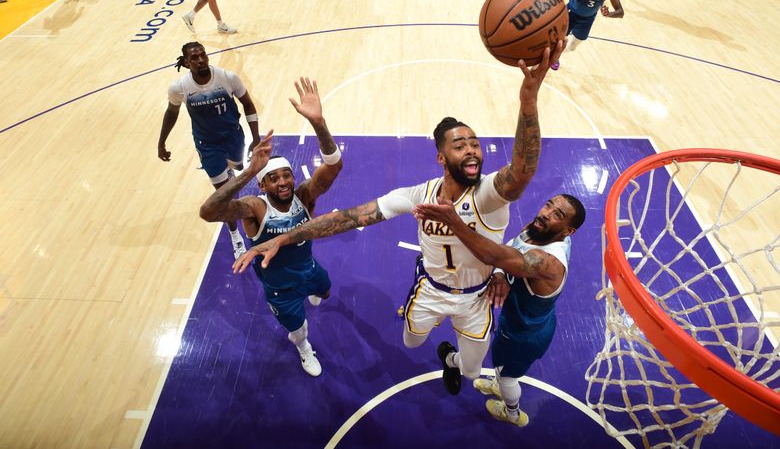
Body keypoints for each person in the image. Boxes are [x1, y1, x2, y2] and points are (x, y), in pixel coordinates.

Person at [233, 42, 565, 396]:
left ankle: (450, 360)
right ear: (441, 157)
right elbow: (348, 218)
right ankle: (419, 309)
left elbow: (523, 170)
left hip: (475, 299)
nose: (471, 148)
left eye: (475, 142)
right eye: (460, 144)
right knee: (409, 341)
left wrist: (528, 100)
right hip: (432, 291)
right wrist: (285, 237)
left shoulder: (488, 193)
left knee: (470, 372)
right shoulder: (417, 195)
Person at [199, 78, 343, 376]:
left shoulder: (303, 195)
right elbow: (208, 211)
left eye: (286, 175)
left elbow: (333, 167)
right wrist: (248, 170)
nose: (282, 182)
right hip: (280, 286)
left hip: (308, 268)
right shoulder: (254, 208)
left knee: (325, 293)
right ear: (262, 184)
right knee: (299, 328)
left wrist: (318, 122)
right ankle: (302, 347)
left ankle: (312, 297)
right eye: (273, 178)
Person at [412, 194, 586, 427]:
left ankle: (511, 413)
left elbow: (493, 255)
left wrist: (454, 221)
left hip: (522, 335)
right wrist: (500, 273)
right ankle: (499, 379)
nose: (545, 214)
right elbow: (510, 251)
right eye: (548, 205)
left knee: (508, 378)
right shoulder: (539, 231)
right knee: (502, 369)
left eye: (558, 215)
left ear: (568, 230)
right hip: (531, 320)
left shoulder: (546, 262)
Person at [158, 42, 260, 259]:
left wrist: (256, 138)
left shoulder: (227, 78)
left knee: (237, 167)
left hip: (234, 136)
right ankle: (235, 234)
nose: (201, 60)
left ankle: (231, 172)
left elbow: (248, 105)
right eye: (194, 58)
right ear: (186, 62)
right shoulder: (179, 88)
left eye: (202, 55)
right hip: (208, 145)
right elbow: (171, 113)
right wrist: (161, 142)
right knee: (225, 194)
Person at [550, 0, 624, 70]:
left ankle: (555, 54)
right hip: (570, 12)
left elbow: (620, 12)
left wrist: (609, 14)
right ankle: (552, 57)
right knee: (559, 39)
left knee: (573, 47)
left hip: (587, 19)